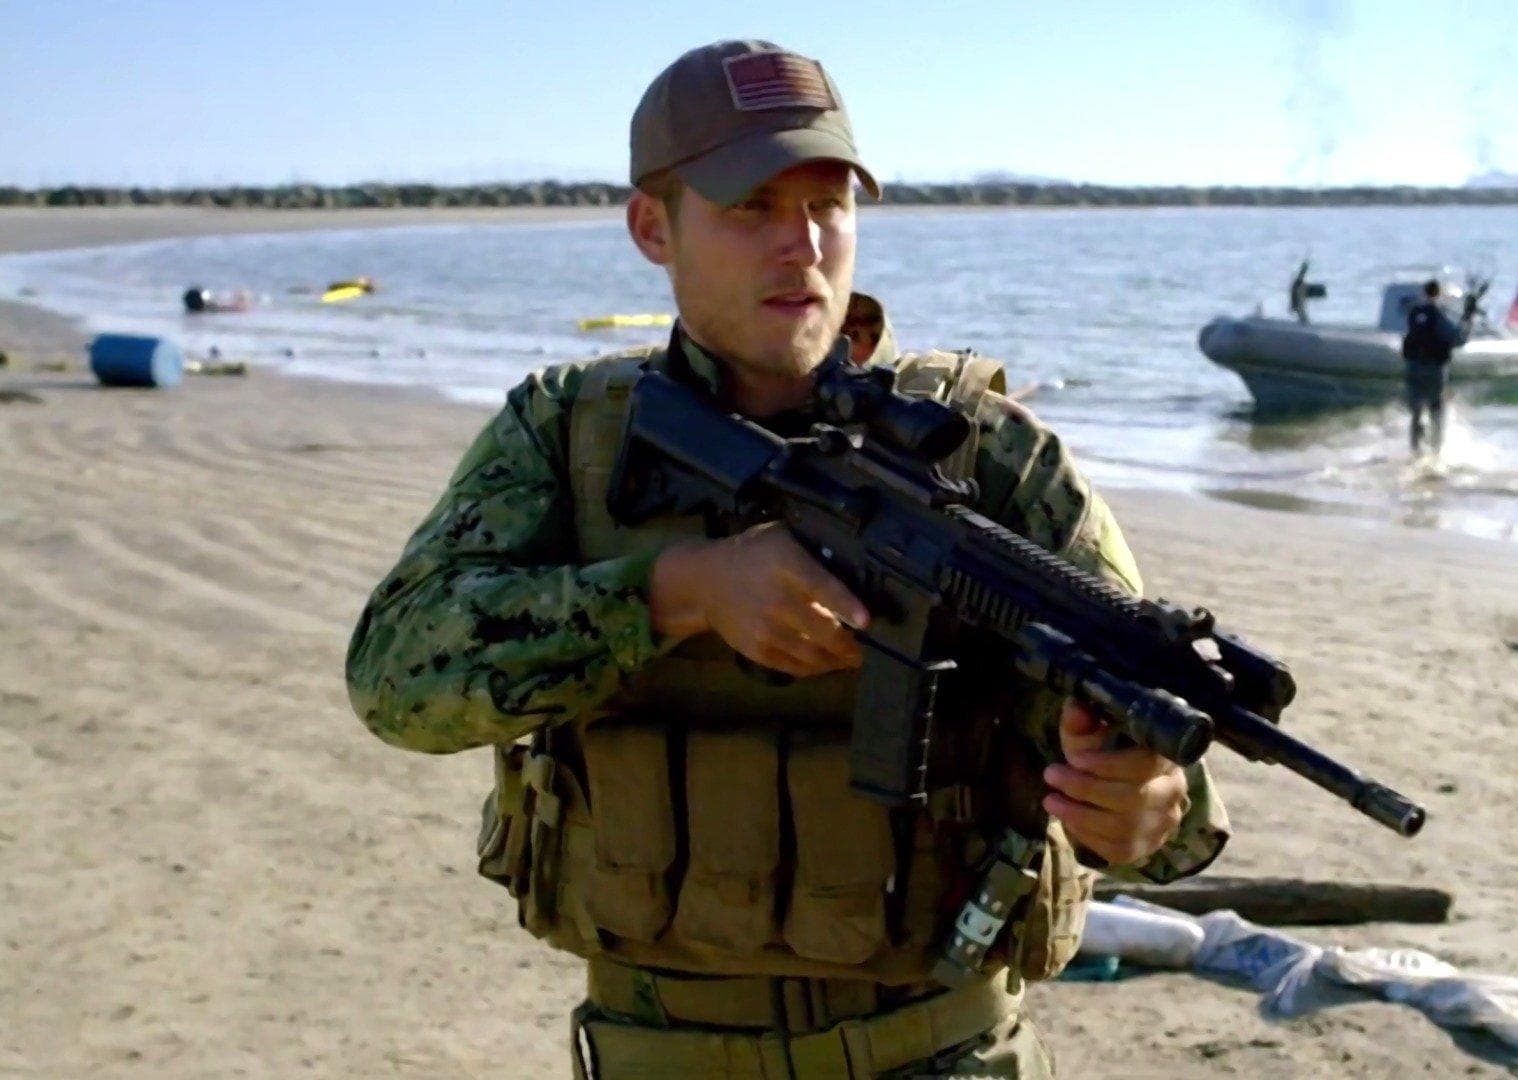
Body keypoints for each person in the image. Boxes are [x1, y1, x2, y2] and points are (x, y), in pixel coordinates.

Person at [344, 39, 1228, 1079]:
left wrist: (1142, 804)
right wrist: (676, 592)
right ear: (652, 227)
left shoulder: (988, 457)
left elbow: (1175, 803)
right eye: (751, 207)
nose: (801, 244)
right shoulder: (568, 436)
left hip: (944, 1053)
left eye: (828, 205)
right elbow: (396, 679)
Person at [1400, 278, 1470, 456]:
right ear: (1438, 294)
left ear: (1424, 293)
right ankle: (1435, 451)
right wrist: (1467, 318)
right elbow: (1458, 339)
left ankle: (1415, 450)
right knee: (1436, 410)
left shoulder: (1415, 314)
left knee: (1416, 412)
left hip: (1414, 369)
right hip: (1434, 370)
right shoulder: (1438, 315)